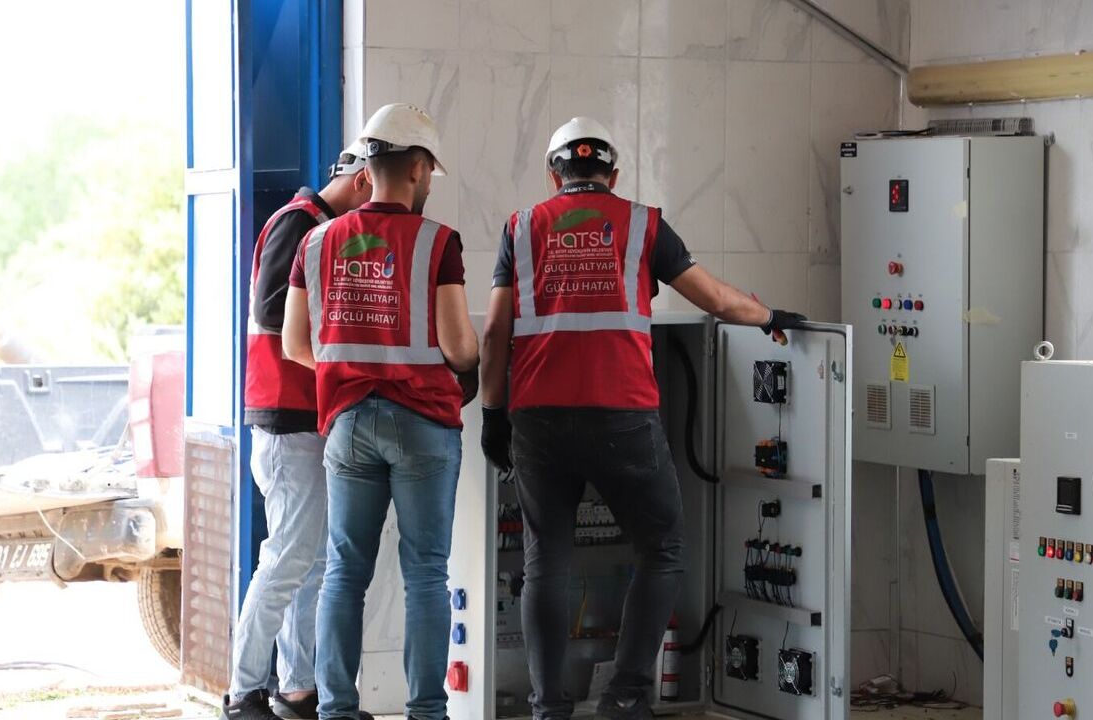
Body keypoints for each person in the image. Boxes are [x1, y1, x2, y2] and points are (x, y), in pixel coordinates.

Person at [479, 117, 807, 720]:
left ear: (553, 174)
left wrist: (492, 413)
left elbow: (496, 331)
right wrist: (768, 316)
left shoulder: (520, 228)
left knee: (545, 560)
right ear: (613, 174)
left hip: (539, 419)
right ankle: (625, 696)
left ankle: (548, 708)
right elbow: (714, 298)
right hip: (622, 416)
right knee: (663, 548)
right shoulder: (642, 224)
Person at [282, 103, 478, 720]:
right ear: (418, 168)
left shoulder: (316, 240)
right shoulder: (438, 242)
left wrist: (351, 368)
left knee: (344, 572)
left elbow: (295, 344)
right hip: (423, 424)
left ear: (368, 168)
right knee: (425, 574)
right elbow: (458, 346)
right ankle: (427, 712)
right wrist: (470, 361)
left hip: (347, 423)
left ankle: (335, 710)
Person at [225, 143, 373, 720]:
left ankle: (297, 690)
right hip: (285, 418)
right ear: (362, 183)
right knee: (287, 558)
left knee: (307, 560)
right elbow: (271, 312)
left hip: (300, 414)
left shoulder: (314, 224)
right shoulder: (300, 223)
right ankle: (242, 692)